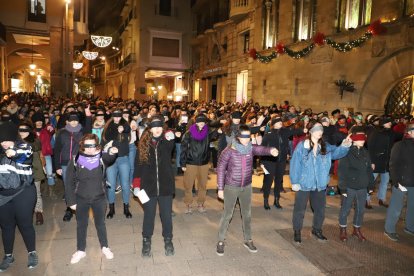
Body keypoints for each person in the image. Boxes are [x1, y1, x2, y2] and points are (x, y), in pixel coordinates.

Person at [216, 125, 278, 256]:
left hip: (247, 186)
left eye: (248, 137)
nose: (246, 140)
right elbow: (221, 169)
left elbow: (261, 149)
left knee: (247, 214)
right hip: (231, 186)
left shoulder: (250, 148)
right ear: (237, 137)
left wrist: (271, 150)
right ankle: (221, 240)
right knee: (227, 214)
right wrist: (220, 188)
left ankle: (248, 239)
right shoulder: (228, 151)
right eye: (243, 137)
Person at [290, 120, 352, 244]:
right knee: (299, 209)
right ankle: (297, 231)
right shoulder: (302, 146)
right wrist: (295, 181)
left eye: (321, 130)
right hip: (304, 183)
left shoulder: (325, 146)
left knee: (320, 210)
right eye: (317, 129)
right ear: (311, 131)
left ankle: (317, 230)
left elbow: (336, 153)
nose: (320, 132)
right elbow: (295, 163)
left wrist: (345, 145)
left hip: (320, 184)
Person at [64, 134, 118, 264]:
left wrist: (112, 151)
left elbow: (110, 157)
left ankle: (105, 247)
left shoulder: (101, 157)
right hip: (81, 198)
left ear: (97, 146)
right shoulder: (75, 159)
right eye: (86, 146)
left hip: (99, 197)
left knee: (100, 224)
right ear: (82, 146)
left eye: (92, 145)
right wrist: (71, 201)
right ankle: (80, 250)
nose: (89, 149)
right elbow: (69, 181)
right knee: (81, 225)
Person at [132, 115, 176, 257]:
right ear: (150, 129)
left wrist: (170, 136)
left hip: (165, 187)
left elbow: (171, 146)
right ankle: (146, 240)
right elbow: (137, 167)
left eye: (159, 127)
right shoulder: (143, 145)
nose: (157, 129)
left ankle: (168, 240)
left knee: (166, 215)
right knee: (149, 215)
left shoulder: (166, 142)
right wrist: (137, 185)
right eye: (154, 127)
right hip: (148, 188)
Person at [0, 121, 38, 271]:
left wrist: (14, 153)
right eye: (1, 140)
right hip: (3, 195)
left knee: (25, 224)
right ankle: (8, 255)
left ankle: (32, 253)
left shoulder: (24, 147)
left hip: (23, 192)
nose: (4, 143)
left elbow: (25, 158)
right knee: (6, 226)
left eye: (7, 139)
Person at [54, 110, 92, 222]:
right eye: (72, 120)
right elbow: (57, 150)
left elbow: (89, 130)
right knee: (68, 186)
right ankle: (69, 210)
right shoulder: (62, 133)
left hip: (80, 163)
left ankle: (81, 209)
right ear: (67, 121)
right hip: (65, 163)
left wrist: (88, 116)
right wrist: (57, 166)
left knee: (80, 186)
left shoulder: (82, 131)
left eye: (76, 120)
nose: (74, 122)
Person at [338, 128, 374, 242]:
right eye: (360, 138)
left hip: (362, 185)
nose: (363, 140)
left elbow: (368, 169)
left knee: (360, 210)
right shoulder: (347, 152)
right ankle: (343, 229)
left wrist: (371, 184)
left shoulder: (365, 152)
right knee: (346, 209)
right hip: (349, 186)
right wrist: (342, 187)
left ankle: (356, 229)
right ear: (353, 139)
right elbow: (342, 170)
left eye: (364, 138)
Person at [261, 117, 305, 209]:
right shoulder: (268, 134)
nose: (280, 122)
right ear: (274, 124)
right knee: (268, 181)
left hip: (281, 160)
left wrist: (303, 129)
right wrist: (262, 162)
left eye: (281, 121)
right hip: (270, 161)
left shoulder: (284, 131)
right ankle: (266, 200)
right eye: (278, 122)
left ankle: (277, 200)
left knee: (278, 181)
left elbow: (295, 131)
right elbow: (262, 149)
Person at [180, 113, 217, 213]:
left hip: (204, 163)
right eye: (199, 121)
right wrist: (183, 163)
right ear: (195, 122)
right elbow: (183, 148)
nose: (201, 123)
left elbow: (217, 132)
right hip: (191, 162)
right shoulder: (189, 133)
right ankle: (188, 203)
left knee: (202, 185)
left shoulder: (208, 132)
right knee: (188, 184)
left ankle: (201, 203)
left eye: (203, 121)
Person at [384, 124, 414, 242]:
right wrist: (395, 181)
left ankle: (410, 227)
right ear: (409, 132)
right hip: (401, 181)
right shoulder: (399, 145)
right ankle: (389, 229)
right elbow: (393, 164)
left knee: (412, 206)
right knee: (396, 206)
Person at [102, 109, 132, 218]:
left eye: (119, 117)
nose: (117, 119)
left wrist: (123, 128)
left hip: (123, 158)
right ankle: (111, 208)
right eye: (115, 117)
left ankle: (126, 208)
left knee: (125, 184)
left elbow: (128, 129)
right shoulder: (108, 127)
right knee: (111, 185)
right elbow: (103, 142)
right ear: (112, 117)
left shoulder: (125, 126)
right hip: (111, 160)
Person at [18, 122, 46, 225]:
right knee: (23, 194)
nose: (22, 132)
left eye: (24, 130)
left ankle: (39, 213)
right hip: (19, 172)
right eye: (20, 130)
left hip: (34, 170)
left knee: (36, 192)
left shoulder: (35, 142)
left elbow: (38, 158)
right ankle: (26, 214)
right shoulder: (15, 142)